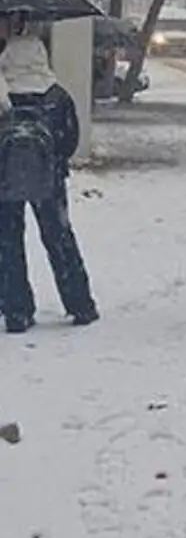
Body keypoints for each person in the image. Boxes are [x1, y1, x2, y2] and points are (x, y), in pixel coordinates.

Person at [0, 29, 98, 334]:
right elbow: (71, 139)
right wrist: (54, 163)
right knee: (59, 237)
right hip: (49, 179)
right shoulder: (58, 95)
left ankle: (17, 311)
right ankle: (80, 304)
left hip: (5, 181)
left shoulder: (3, 96)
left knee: (7, 242)